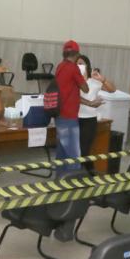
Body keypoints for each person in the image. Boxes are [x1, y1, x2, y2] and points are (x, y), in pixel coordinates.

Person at [53, 40, 89, 174]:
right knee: (73, 155)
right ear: (77, 54)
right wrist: (83, 76)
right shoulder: (74, 68)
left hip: (59, 113)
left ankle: (59, 180)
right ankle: (72, 182)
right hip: (69, 116)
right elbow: (85, 88)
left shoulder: (60, 66)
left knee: (62, 152)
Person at [76, 53, 116, 173]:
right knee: (76, 149)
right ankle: (83, 171)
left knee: (85, 148)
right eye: (76, 64)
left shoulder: (94, 80)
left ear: (87, 65)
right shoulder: (74, 79)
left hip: (89, 119)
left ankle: (89, 170)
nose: (79, 66)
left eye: (81, 64)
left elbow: (112, 90)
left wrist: (102, 79)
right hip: (74, 118)